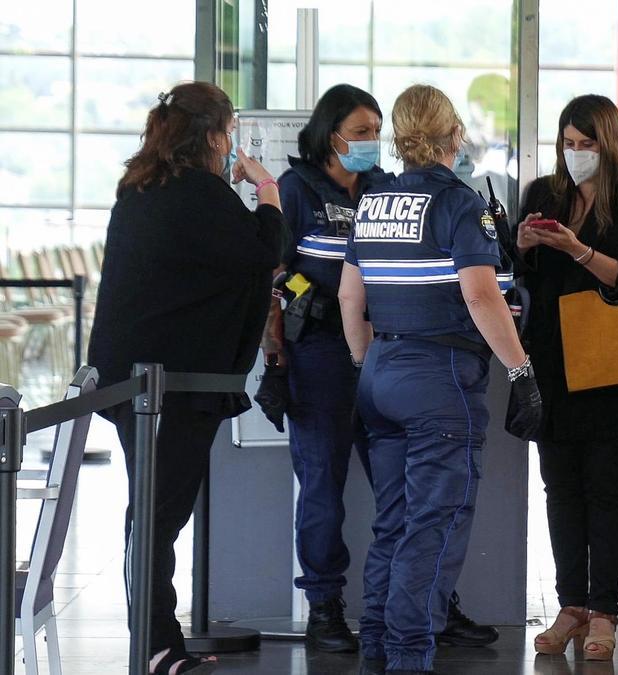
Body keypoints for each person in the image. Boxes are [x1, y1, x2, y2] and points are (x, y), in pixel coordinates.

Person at [265, 84, 498, 654]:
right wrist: (279, 343)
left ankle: (413, 615)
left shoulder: (381, 192)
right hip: (321, 353)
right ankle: (329, 609)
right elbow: (273, 275)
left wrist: (367, 354)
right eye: (360, 132)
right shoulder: (298, 191)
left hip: (376, 355)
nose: (370, 142)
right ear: (331, 134)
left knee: (404, 502)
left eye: (376, 131)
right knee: (325, 485)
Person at [339, 84, 542, 675]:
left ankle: (376, 649)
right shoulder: (458, 204)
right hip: (440, 381)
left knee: (394, 522)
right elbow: (480, 295)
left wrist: (369, 364)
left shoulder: (374, 202)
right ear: (454, 136)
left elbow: (352, 298)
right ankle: (409, 657)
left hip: (380, 376)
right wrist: (521, 371)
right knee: (434, 526)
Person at [88, 81, 284, 675]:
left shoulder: (143, 188)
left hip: (137, 378)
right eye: (229, 135)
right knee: (157, 516)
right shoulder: (199, 194)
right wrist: (269, 190)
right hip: (165, 386)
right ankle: (154, 646)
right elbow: (260, 251)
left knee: (154, 511)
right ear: (217, 136)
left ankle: (155, 639)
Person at [516, 94, 618, 662]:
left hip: (611, 363)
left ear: (610, 143)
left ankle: (604, 610)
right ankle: (570, 604)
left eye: (586, 146)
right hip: (552, 361)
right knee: (559, 489)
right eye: (568, 145)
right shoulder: (544, 194)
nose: (576, 156)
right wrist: (524, 244)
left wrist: (577, 250)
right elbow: (521, 275)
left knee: (605, 488)